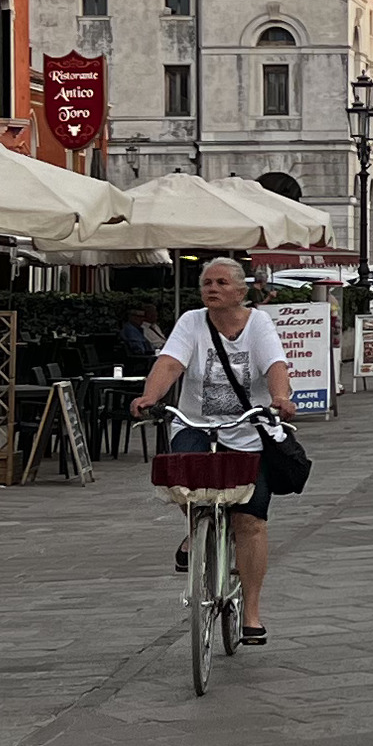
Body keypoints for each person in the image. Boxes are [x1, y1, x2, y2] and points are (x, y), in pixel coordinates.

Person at [132, 258, 295, 647]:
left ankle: (251, 614)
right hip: (194, 424)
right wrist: (150, 397)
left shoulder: (259, 324)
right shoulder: (191, 322)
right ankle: (194, 531)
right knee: (181, 483)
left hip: (248, 431)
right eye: (206, 282)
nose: (212, 288)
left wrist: (280, 397)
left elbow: (275, 362)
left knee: (249, 521)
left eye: (222, 282)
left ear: (241, 290)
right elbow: (171, 362)